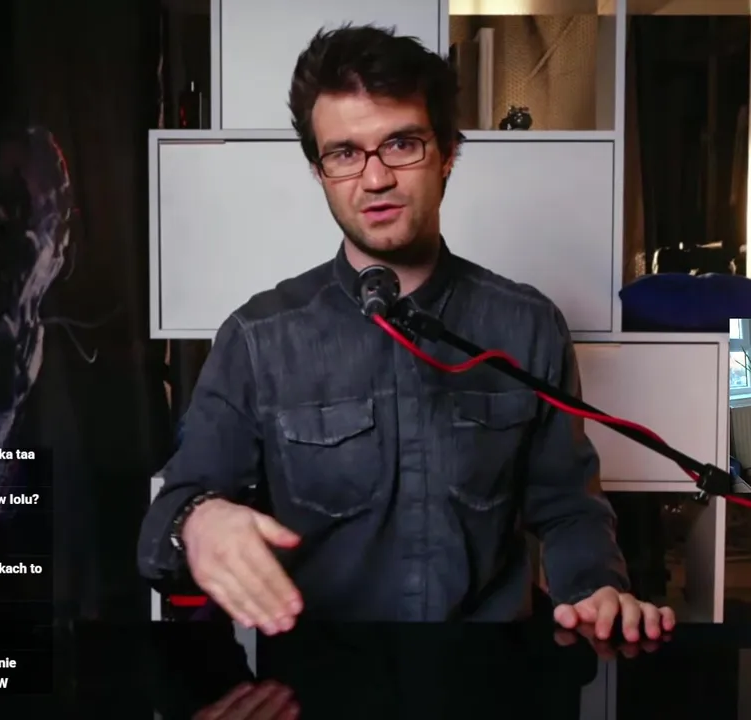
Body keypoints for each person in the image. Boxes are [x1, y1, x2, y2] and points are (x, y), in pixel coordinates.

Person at [138, 24, 674, 641]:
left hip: (488, 674)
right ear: (319, 171)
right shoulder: (258, 338)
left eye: (401, 144)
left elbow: (568, 506)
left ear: (447, 153)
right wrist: (197, 522)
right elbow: (166, 521)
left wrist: (597, 589)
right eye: (344, 153)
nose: (375, 179)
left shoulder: (528, 325)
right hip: (321, 679)